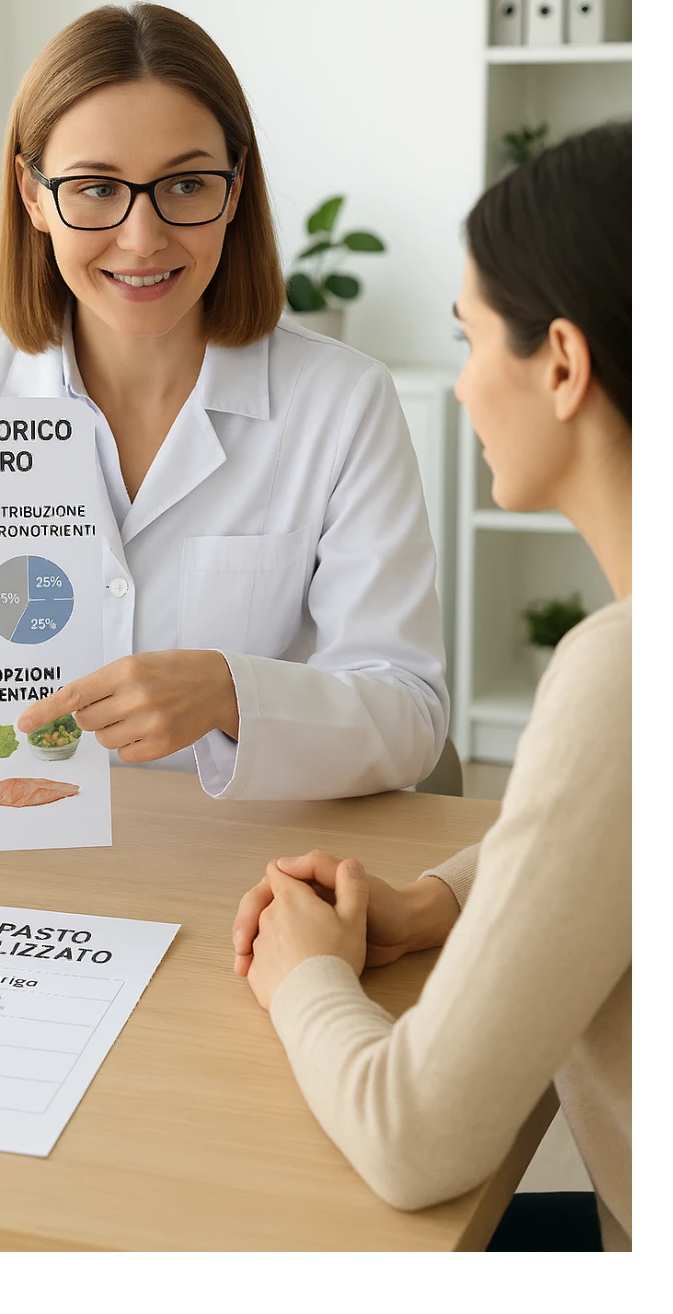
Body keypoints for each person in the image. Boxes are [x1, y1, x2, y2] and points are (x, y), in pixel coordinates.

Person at [232, 121, 631, 1250]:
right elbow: (600, 832)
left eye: (467, 342)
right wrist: (444, 901)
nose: (458, 390)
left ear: (561, 362)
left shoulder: (622, 671)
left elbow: (415, 1137)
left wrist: (305, 977)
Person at [0, 2, 449, 802]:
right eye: (95, 189)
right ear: (33, 194)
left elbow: (409, 715)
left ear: (234, 190)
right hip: (8, 857)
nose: (143, 236)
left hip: (243, 879)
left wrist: (231, 692)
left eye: (186, 184)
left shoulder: (342, 403)